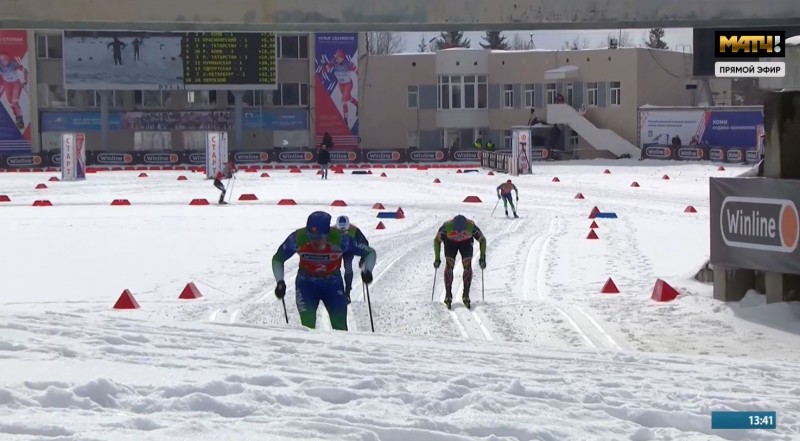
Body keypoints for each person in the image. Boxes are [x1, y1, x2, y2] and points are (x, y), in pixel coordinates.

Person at [272, 211, 377, 330]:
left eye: (320, 237)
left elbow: (369, 252)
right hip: (306, 285)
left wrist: (367, 270)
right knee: (307, 326)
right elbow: (277, 259)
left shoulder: (341, 239)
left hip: (332, 285)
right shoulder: (297, 238)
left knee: (340, 327)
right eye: (311, 236)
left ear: (328, 233)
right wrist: (280, 282)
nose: (315, 241)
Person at [433, 215, 487, 309]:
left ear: (465, 227)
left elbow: (483, 240)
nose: (459, 233)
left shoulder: (471, 226)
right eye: (456, 231)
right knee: (449, 266)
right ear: (453, 226)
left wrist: (483, 257)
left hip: (466, 244)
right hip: (450, 243)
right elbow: (436, 241)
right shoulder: (447, 226)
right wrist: (437, 258)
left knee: (467, 266)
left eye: (462, 231)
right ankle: (448, 294)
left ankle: (466, 294)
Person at [334, 215, 369, 304]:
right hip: (335, 251)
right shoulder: (331, 230)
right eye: (340, 231)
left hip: (349, 251)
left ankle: (347, 293)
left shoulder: (354, 230)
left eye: (344, 231)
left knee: (348, 267)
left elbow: (364, 244)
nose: (342, 232)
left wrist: (363, 258)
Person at [321, 49, 359, 123]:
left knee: (343, 101)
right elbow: (326, 70)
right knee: (348, 98)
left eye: (338, 57)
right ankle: (357, 104)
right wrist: (324, 65)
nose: (336, 59)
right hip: (341, 85)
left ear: (342, 58)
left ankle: (345, 120)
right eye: (336, 57)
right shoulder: (334, 62)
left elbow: (356, 70)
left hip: (348, 84)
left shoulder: (348, 63)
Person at [0, 51, 28, 129]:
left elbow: (24, 70)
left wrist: (25, 81)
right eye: (2, 60)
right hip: (7, 84)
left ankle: (20, 120)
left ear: (8, 58)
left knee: (14, 102)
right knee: (11, 103)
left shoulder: (14, 63)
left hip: (15, 84)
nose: (4, 62)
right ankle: (17, 115)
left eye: (5, 59)